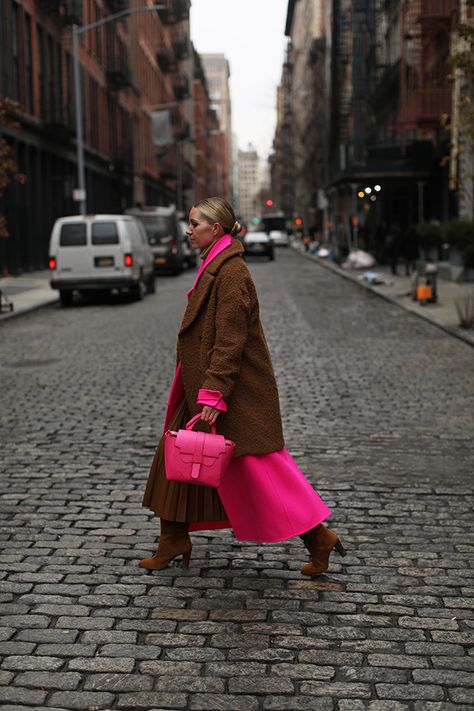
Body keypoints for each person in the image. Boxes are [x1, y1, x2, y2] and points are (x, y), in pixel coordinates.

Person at [140, 197, 346, 577]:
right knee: (175, 456)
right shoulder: (216, 265)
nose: (188, 230)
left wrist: (214, 394)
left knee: (258, 470)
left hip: (227, 392)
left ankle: (318, 537)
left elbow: (230, 341)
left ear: (215, 229)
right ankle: (172, 536)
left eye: (194, 223)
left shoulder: (231, 273)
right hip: (200, 383)